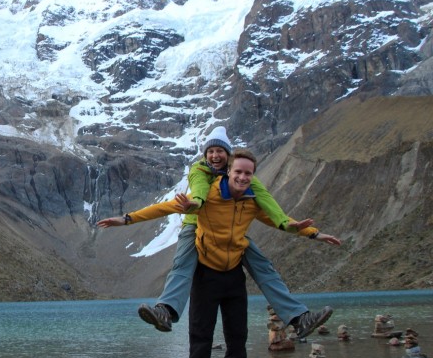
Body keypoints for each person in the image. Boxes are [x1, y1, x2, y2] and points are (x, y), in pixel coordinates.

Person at [109, 150, 342, 358]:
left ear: (252, 177)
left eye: (248, 173)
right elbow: (165, 207)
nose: (243, 177)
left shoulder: (252, 201)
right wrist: (126, 219)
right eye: (238, 172)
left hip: (233, 274)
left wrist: (314, 233)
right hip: (205, 275)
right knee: (201, 339)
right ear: (228, 172)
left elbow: (283, 221)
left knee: (237, 338)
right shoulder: (208, 195)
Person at [98, 126, 332, 339]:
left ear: (229, 158)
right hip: (196, 222)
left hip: (232, 235)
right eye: (211, 151)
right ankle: (166, 311)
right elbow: (172, 204)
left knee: (265, 269)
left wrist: (312, 232)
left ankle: (300, 318)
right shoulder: (201, 174)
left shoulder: (244, 183)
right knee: (183, 266)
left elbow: (271, 211)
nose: (215, 156)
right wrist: (127, 218)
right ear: (205, 154)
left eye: (220, 151)